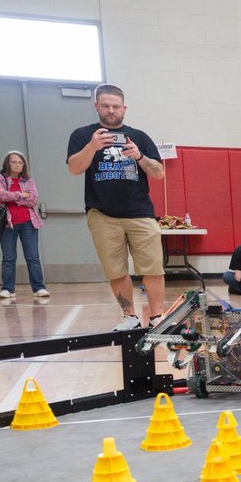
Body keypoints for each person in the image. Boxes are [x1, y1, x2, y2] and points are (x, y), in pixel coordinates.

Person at [66, 84, 166, 330]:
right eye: (105, 106)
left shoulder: (139, 136)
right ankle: (129, 316)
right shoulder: (82, 135)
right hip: (102, 214)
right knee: (116, 269)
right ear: (96, 106)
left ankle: (157, 317)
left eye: (115, 106)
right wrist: (92, 146)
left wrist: (140, 157)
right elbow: (74, 168)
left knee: (153, 266)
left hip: (140, 212)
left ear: (124, 108)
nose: (111, 111)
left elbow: (159, 173)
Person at [0, 151, 48, 300]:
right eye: (14, 162)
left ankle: (39, 288)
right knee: (9, 257)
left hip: (28, 222)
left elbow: (33, 200)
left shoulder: (29, 181)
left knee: (33, 257)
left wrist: (14, 196)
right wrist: (22, 195)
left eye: (20, 162)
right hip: (7, 223)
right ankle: (8, 289)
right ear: (7, 164)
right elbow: (0, 195)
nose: (17, 165)